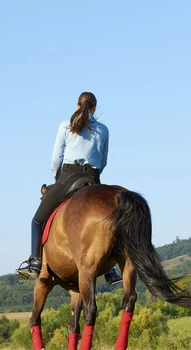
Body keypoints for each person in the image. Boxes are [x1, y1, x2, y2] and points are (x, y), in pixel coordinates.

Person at [18, 91, 122, 284]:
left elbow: (56, 159)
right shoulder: (104, 130)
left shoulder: (66, 126)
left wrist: (58, 178)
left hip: (68, 176)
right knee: (109, 220)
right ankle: (111, 269)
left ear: (77, 106)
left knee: (37, 220)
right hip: (93, 178)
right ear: (95, 108)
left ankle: (34, 262)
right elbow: (104, 161)